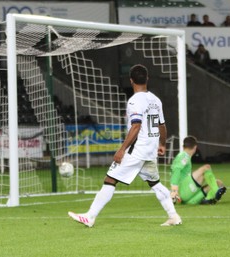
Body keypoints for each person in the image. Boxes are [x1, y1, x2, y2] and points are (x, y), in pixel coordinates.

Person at [68, 64, 181, 227]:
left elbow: (136, 126)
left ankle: (90, 217)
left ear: (131, 81)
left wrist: (121, 150)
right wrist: (162, 143)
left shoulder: (134, 101)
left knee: (110, 179)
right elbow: (162, 125)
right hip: (150, 149)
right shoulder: (156, 100)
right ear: (147, 79)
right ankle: (173, 216)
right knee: (154, 183)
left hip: (137, 150)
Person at [169, 136, 227, 205]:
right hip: (181, 191)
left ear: (183, 146)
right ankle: (215, 191)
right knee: (206, 168)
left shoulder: (185, 156)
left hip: (186, 195)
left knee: (218, 183)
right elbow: (176, 170)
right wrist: (174, 189)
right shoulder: (184, 155)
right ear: (195, 147)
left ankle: (207, 199)